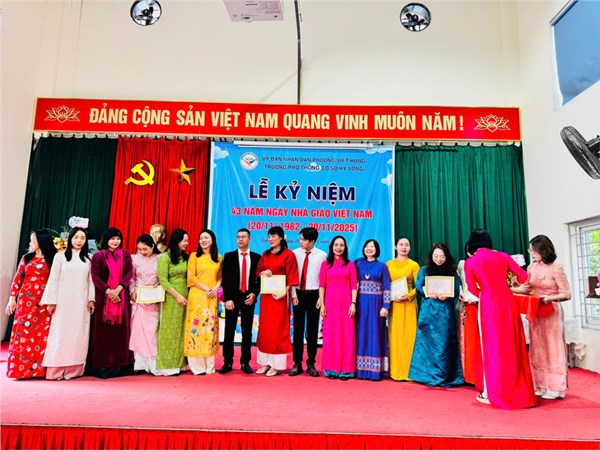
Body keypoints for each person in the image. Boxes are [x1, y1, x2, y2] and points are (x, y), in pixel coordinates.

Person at [464, 228, 536, 409]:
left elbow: (472, 288)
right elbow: (523, 277)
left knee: (491, 347)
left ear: (471, 243)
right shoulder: (503, 256)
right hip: (508, 301)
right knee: (512, 344)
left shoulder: (471, 262)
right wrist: (508, 285)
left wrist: (485, 294)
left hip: (488, 303)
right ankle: (518, 388)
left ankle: (491, 391)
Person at [512, 235, 571, 400]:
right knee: (538, 348)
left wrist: (549, 298)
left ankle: (555, 388)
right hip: (536, 310)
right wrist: (507, 288)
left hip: (552, 310)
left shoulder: (556, 268)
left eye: (533, 250)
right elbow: (526, 289)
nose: (531, 253)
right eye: (530, 250)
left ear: (543, 250)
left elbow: (566, 293)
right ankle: (540, 384)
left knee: (553, 347)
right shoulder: (531, 268)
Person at [40, 227, 95, 380]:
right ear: (70, 238)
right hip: (63, 303)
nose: (79, 241)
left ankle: (73, 370)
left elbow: (91, 281)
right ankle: (56, 370)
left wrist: (91, 299)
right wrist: (51, 301)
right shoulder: (60, 257)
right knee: (60, 334)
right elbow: (54, 280)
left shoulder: (89, 259)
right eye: (76, 237)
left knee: (78, 335)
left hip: (81, 303)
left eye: (82, 238)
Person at [409, 243, 464, 387]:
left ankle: (445, 375)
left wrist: (448, 295)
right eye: (436, 256)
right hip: (428, 311)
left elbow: (456, 291)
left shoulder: (452, 271)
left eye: (442, 256)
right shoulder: (424, 270)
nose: (439, 259)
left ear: (447, 257)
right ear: (431, 256)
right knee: (426, 341)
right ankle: (425, 375)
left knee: (444, 342)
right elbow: (418, 287)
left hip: (445, 312)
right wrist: (428, 292)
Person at [5, 230, 57, 379]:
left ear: (41, 242)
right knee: (22, 333)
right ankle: (20, 370)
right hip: (25, 302)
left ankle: (39, 370)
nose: (30, 243)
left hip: (45, 303)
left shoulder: (53, 259)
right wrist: (12, 299)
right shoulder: (26, 258)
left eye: (32, 240)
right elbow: (18, 279)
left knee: (42, 335)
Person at [89, 227, 134, 378]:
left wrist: (118, 289)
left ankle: (122, 366)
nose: (115, 241)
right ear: (106, 240)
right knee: (103, 334)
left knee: (121, 333)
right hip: (103, 298)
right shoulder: (98, 256)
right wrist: (109, 291)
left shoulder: (125, 254)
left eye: (118, 238)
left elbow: (129, 273)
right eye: (112, 238)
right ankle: (103, 367)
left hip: (122, 297)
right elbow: (95, 276)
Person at [255, 226, 299, 376]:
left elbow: (292, 277)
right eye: (269, 236)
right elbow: (258, 272)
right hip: (267, 297)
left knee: (278, 329)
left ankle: (276, 365)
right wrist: (263, 272)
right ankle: (264, 363)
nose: (271, 239)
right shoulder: (265, 254)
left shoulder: (288, 255)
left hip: (280, 298)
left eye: (274, 236)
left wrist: (284, 293)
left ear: (281, 237)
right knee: (265, 329)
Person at [219, 228, 261, 375]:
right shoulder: (229, 256)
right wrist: (227, 298)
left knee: (247, 331)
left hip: (248, 298)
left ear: (249, 239)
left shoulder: (256, 257)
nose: (240, 239)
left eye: (243, 237)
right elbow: (225, 279)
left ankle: (245, 362)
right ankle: (227, 362)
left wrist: (255, 294)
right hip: (232, 298)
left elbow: (259, 279)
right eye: (238, 237)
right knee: (229, 330)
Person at [289, 227, 327, 377]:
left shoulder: (322, 256)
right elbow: (292, 275)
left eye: (304, 239)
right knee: (298, 330)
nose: (301, 242)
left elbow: (323, 278)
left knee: (312, 331)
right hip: (298, 294)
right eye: (300, 239)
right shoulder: (295, 253)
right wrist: (293, 294)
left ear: (312, 241)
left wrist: (320, 298)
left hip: (314, 295)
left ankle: (311, 363)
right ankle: (297, 363)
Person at [319, 235, 358, 380]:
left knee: (347, 336)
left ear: (345, 248)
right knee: (331, 336)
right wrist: (322, 304)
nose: (338, 247)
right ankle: (331, 369)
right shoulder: (325, 264)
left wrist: (353, 303)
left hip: (346, 305)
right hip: (330, 304)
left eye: (341, 245)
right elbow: (322, 285)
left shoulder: (350, 265)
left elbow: (354, 286)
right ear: (332, 247)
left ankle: (346, 370)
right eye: (336, 245)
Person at [185, 229, 222, 375]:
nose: (203, 240)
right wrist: (207, 288)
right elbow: (191, 277)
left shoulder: (218, 258)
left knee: (210, 329)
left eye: (206, 238)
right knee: (196, 329)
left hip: (212, 297)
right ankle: (197, 367)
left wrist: (216, 288)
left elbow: (221, 277)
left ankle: (209, 366)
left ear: (212, 240)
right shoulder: (194, 256)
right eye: (201, 238)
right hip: (197, 295)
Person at [355, 239, 391, 381]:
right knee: (361, 334)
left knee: (376, 334)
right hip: (361, 304)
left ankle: (376, 371)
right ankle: (361, 370)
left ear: (377, 250)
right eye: (367, 246)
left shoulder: (382, 266)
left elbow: (387, 287)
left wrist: (386, 306)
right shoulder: (358, 265)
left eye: (372, 247)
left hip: (377, 305)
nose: (369, 249)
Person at [385, 237, 420, 381]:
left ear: (410, 248)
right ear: (395, 247)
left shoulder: (414, 265)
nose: (404, 247)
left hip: (408, 304)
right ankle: (395, 371)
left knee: (409, 336)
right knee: (395, 337)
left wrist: (408, 296)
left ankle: (409, 372)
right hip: (394, 305)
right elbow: (385, 285)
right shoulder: (388, 265)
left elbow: (419, 286)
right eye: (401, 245)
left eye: (406, 245)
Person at [156, 229, 189, 376]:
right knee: (169, 330)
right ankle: (167, 365)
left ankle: (180, 363)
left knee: (182, 330)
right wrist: (177, 296)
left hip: (186, 296)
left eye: (187, 241)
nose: (187, 243)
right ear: (177, 241)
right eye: (184, 241)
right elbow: (163, 280)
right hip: (171, 298)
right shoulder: (165, 257)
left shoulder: (185, 257)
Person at [129, 233, 161, 374]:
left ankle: (153, 364)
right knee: (138, 331)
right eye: (140, 249)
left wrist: (160, 284)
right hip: (139, 298)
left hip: (154, 298)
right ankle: (139, 364)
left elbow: (163, 276)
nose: (142, 252)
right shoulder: (134, 259)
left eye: (145, 249)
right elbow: (132, 278)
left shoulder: (160, 258)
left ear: (152, 246)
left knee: (152, 332)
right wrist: (132, 291)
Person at [457, 245, 483, 391]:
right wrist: (461, 293)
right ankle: (468, 375)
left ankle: (481, 375)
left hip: (482, 305)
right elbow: (460, 283)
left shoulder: (486, 263)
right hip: (467, 305)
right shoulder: (463, 264)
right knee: (467, 340)